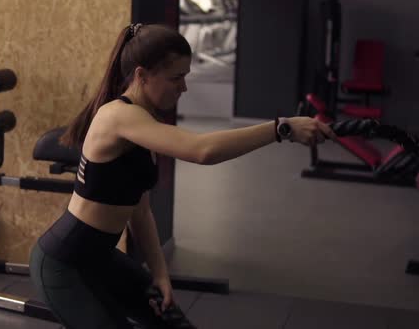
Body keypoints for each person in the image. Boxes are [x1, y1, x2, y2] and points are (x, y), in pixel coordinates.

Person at [29, 23, 337, 329]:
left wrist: (160, 275)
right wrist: (281, 128)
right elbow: (202, 150)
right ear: (141, 75)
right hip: (64, 266)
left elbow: (140, 210)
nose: (184, 87)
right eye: (177, 78)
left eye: (185, 76)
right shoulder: (118, 115)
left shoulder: (144, 120)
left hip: (102, 260)